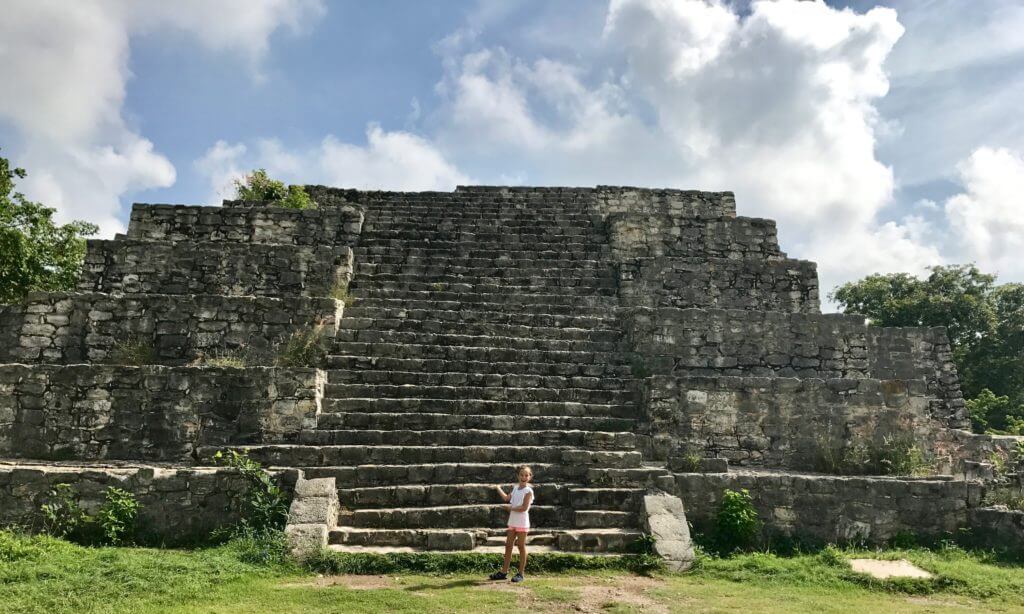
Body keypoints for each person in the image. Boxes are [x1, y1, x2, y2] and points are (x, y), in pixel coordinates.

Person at [488, 465, 534, 583]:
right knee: (508, 546)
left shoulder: (528, 491)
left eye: (526, 475)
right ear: (518, 476)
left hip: (522, 522)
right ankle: (503, 572)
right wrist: (498, 488)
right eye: (521, 475)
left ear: (530, 477)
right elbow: (506, 498)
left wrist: (510, 509)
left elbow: (524, 508)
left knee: (521, 546)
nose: (524, 477)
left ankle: (521, 574)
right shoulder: (515, 488)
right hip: (513, 521)